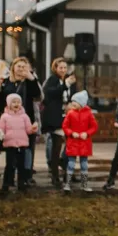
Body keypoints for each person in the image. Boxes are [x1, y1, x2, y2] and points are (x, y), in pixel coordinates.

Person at [0, 57, 42, 185]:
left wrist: (32, 78)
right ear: (13, 68)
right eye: (19, 66)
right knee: (11, 153)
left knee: (27, 151)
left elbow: (37, 95)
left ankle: (26, 177)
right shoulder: (6, 82)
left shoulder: (30, 81)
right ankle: (9, 179)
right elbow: (0, 100)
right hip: (9, 122)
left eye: (24, 67)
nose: (21, 69)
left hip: (26, 120)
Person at [41, 57, 76, 188]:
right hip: (56, 117)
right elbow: (49, 94)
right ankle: (55, 175)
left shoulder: (69, 80)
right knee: (56, 146)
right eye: (60, 67)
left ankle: (67, 169)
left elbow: (74, 95)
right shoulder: (53, 80)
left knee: (72, 144)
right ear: (55, 68)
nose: (63, 70)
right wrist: (64, 85)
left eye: (65, 67)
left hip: (69, 116)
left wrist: (72, 103)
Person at [0, 93, 36, 193]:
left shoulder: (24, 116)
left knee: (21, 166)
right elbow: (1, 130)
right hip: (10, 145)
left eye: (18, 102)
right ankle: (6, 185)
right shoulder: (4, 117)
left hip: (22, 144)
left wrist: (33, 129)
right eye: (14, 102)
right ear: (9, 103)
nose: (16, 104)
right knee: (10, 165)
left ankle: (21, 185)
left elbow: (28, 130)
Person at [61, 90, 97, 193]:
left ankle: (84, 184)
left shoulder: (89, 114)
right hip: (73, 142)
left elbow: (94, 126)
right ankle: (67, 184)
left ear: (81, 103)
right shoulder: (70, 113)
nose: (72, 103)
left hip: (84, 143)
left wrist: (87, 133)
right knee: (71, 164)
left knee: (84, 164)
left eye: (75, 101)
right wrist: (71, 133)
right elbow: (65, 126)